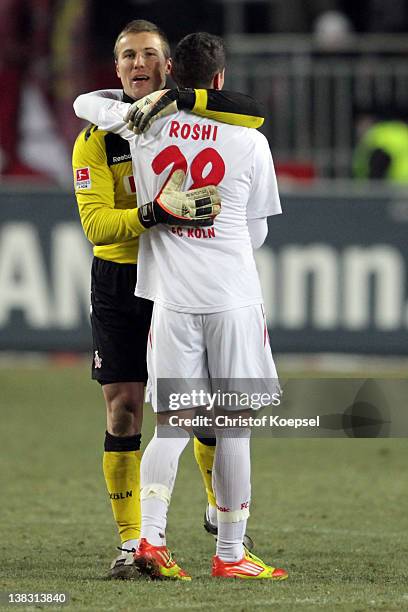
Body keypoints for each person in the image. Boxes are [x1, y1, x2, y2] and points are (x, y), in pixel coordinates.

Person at [74, 31, 287, 581]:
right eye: (127, 54)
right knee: (230, 424)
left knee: (172, 425)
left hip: (166, 294)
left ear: (170, 70)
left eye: (149, 55)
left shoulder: (144, 129)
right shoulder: (248, 140)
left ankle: (151, 541)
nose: (138, 64)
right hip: (227, 295)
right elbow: (257, 231)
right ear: (219, 79)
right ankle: (231, 552)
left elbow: (87, 103)